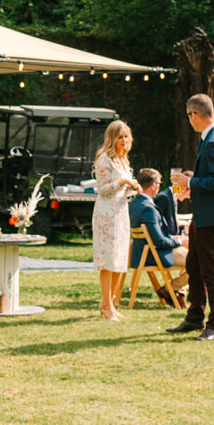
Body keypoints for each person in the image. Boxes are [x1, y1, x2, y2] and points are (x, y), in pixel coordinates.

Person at [166, 94, 214, 341]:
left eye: (189, 117)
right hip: (204, 212)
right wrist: (190, 188)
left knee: (211, 270)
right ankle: (194, 317)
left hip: (211, 216)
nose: (190, 122)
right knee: (194, 266)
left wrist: (191, 181)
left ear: (194, 115)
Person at [91, 121, 139, 320]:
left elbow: (120, 190)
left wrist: (130, 188)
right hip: (106, 214)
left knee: (120, 260)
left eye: (126, 136)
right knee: (108, 261)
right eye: (120, 137)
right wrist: (124, 181)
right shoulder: (105, 159)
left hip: (120, 213)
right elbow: (102, 189)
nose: (124, 140)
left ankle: (108, 303)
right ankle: (107, 305)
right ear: (112, 139)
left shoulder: (123, 161)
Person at [127, 168, 184, 305]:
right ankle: (173, 290)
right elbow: (158, 240)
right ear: (153, 186)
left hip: (140, 252)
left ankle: (177, 292)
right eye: (159, 183)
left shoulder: (134, 203)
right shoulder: (150, 207)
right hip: (153, 255)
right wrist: (178, 241)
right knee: (198, 261)